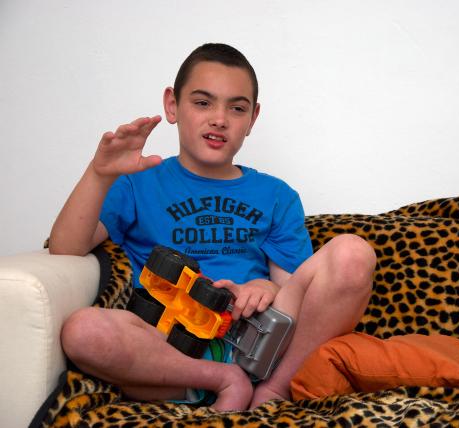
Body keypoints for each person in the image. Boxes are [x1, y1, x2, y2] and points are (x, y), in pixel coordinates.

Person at [49, 43, 376, 411]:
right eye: (203, 103)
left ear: (252, 118)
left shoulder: (276, 195)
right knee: (81, 330)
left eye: (236, 108)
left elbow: (296, 292)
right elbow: (65, 248)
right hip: (167, 351)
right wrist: (100, 174)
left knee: (353, 254)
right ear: (172, 105)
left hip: (255, 340)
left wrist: (265, 287)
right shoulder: (136, 182)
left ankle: (272, 392)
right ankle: (222, 381)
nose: (219, 119)